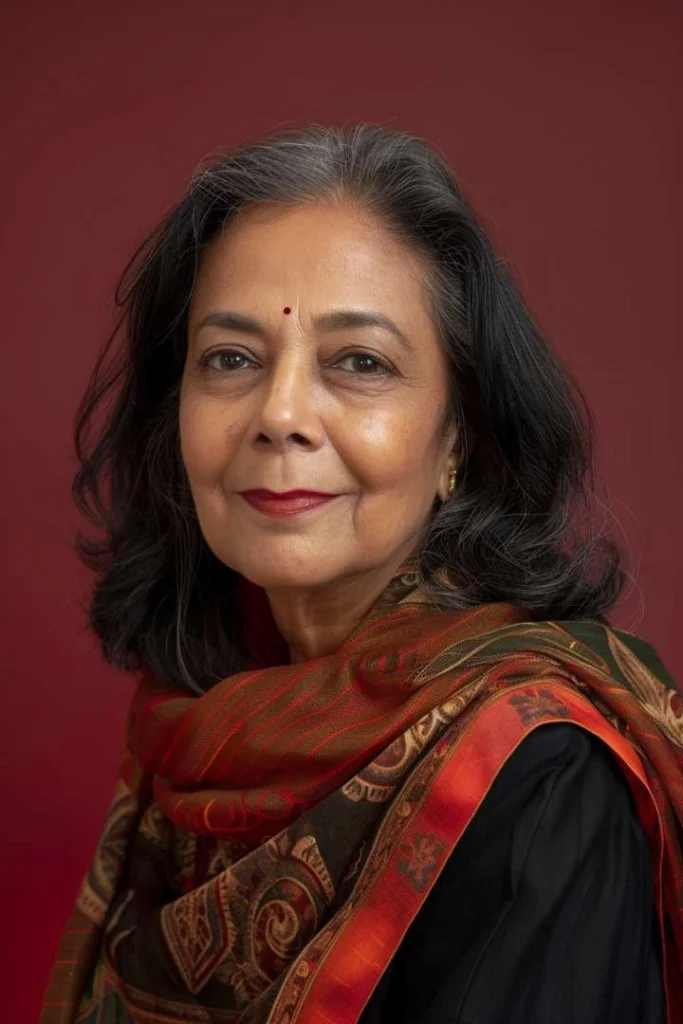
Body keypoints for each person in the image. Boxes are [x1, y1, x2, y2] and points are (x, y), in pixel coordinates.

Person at [41, 124, 682, 1024]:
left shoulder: (540, 775)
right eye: (230, 359)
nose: (281, 414)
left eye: (359, 363)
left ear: (458, 437)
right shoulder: (196, 730)